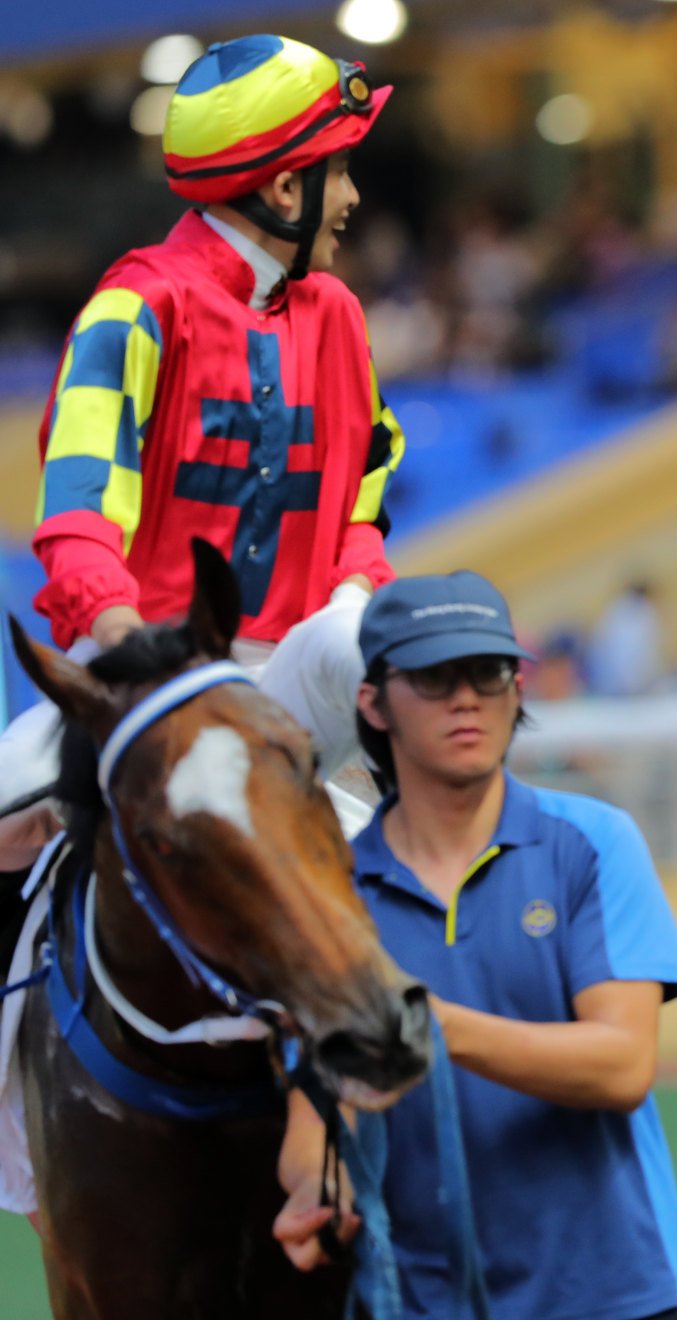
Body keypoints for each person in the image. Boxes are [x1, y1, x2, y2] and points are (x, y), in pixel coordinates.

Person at [0, 33, 406, 866]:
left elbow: (362, 506)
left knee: (417, 896)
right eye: (342, 171)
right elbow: (77, 525)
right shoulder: (132, 307)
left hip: (292, 684)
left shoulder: (339, 316)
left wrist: (350, 596)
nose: (354, 197)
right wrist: (139, 656)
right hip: (134, 669)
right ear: (288, 187)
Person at [272, 570, 677, 1319]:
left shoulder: (592, 842)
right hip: (417, 1300)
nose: (466, 695)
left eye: (488, 671)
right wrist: (318, 1190)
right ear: (371, 703)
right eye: (434, 675)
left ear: (517, 690)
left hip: (618, 1295)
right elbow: (316, 1120)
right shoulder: (331, 897)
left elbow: (621, 1064)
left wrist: (429, 1026)